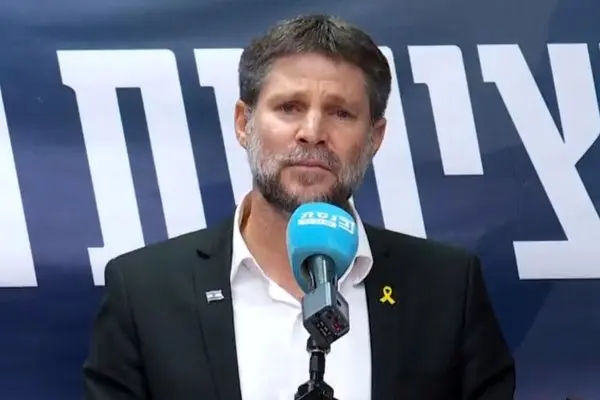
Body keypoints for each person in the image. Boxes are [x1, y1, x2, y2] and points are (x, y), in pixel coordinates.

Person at [83, 14, 515, 400]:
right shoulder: (144, 293)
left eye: (340, 113)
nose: (312, 132)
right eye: (289, 108)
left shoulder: (447, 290)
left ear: (375, 137)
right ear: (243, 124)